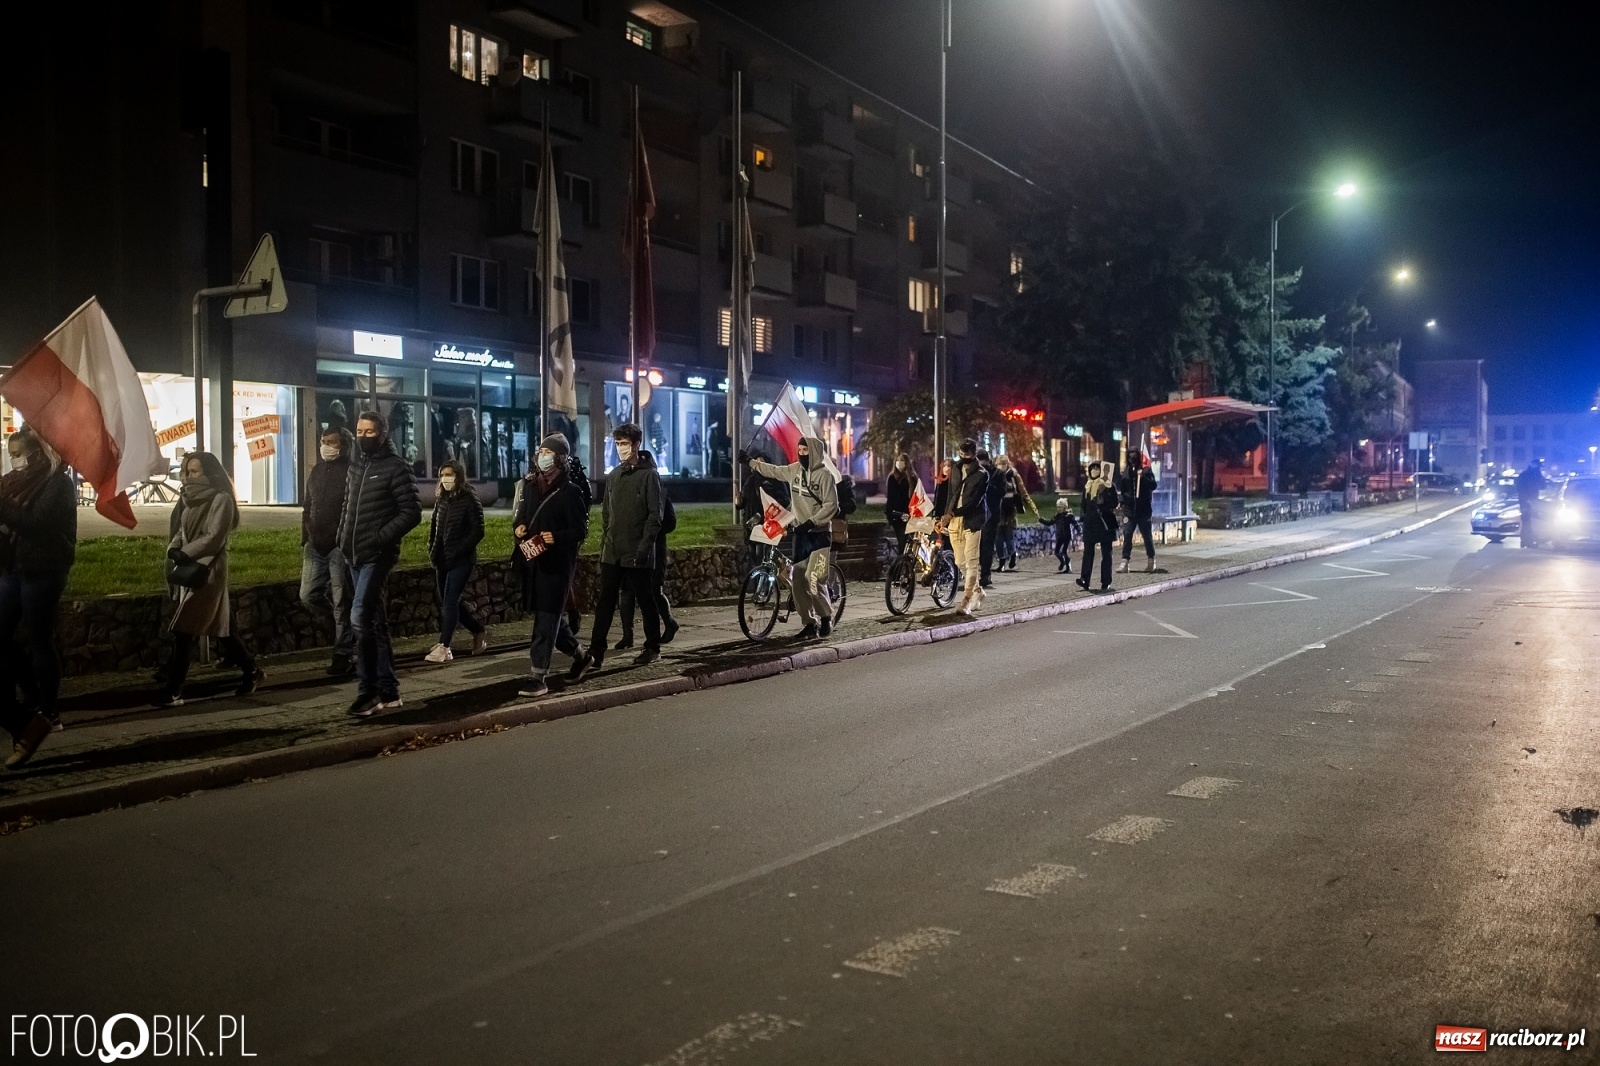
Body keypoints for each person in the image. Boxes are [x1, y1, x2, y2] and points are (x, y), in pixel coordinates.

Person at [155, 452, 263, 707]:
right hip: (190, 567)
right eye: (187, 471)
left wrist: (185, 553)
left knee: (184, 629)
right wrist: (174, 549)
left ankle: (174, 690)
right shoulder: (188, 499)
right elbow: (182, 531)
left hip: (209, 570)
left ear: (209, 473)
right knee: (222, 628)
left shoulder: (221, 498)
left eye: (195, 471)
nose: (189, 476)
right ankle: (251, 670)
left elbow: (214, 537)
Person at [0, 427, 75, 769]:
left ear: (37, 453)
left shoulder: (57, 483)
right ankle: (30, 703)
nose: (14, 460)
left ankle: (48, 709)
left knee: (39, 639)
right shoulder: (11, 483)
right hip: (13, 568)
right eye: (10, 454)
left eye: (19, 454)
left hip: (44, 569)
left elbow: (36, 523)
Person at [338, 411, 422, 717]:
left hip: (376, 556)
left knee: (359, 619)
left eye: (369, 432)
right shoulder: (356, 466)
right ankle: (389, 690)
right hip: (353, 554)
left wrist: (380, 538)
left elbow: (411, 512)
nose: (362, 437)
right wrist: (341, 537)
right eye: (359, 431)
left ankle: (368, 692)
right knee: (375, 622)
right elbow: (348, 504)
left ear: (382, 434)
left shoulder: (396, 467)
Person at [512, 434, 592, 697]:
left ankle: (538, 677)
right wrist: (520, 528)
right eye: (541, 451)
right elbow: (522, 517)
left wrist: (556, 537)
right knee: (550, 619)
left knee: (545, 622)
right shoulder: (530, 487)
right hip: (534, 562)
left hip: (557, 567)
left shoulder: (570, 492)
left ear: (560, 458)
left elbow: (579, 530)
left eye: (548, 452)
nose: (542, 456)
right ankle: (582, 657)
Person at [587, 423, 665, 667]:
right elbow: (607, 514)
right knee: (605, 602)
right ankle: (596, 651)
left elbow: (655, 516)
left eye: (625, 443)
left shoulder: (649, 476)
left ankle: (652, 647)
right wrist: (606, 544)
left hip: (637, 552)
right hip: (613, 551)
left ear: (636, 444)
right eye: (618, 443)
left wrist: (644, 548)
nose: (621, 448)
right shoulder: (614, 476)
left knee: (646, 599)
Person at [749, 435, 839, 639]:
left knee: (813, 577)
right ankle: (809, 623)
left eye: (805, 450)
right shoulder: (794, 470)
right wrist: (750, 462)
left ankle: (826, 616)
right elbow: (773, 470)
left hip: (819, 535)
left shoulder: (825, 476)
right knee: (797, 580)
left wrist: (813, 522)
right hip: (801, 535)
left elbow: (831, 505)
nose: (802, 454)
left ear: (814, 452)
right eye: (800, 450)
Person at [301, 425, 355, 675]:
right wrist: (306, 537)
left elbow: (352, 510)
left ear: (343, 445)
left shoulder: (351, 472)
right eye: (323, 441)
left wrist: (344, 539)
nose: (325, 446)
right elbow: (307, 505)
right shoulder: (317, 471)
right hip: (315, 545)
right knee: (308, 595)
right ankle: (341, 636)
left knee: (341, 602)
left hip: (338, 547)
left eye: (331, 442)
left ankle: (343, 654)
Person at [424, 458, 488, 662]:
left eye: (449, 475)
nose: (445, 479)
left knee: (450, 601)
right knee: (448, 602)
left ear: (458, 476)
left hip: (461, 560)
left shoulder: (469, 498)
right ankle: (477, 630)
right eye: (442, 475)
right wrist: (432, 548)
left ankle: (445, 646)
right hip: (442, 559)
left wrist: (459, 550)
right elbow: (434, 527)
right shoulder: (442, 498)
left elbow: (478, 530)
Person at [617, 483, 680, 651]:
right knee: (626, 591)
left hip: (654, 549)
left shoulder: (660, 496)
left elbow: (670, 523)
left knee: (654, 590)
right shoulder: (628, 494)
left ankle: (669, 623)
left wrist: (650, 528)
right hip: (630, 548)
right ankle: (627, 635)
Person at [939, 438, 988, 614]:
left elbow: (974, 502)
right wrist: (945, 516)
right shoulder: (955, 469)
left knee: (971, 561)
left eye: (967, 455)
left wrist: (952, 513)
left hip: (972, 521)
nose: (964, 457)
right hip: (954, 521)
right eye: (961, 454)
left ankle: (966, 600)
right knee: (960, 561)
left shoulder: (982, 475)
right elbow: (950, 495)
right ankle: (977, 591)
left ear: (974, 454)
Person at [1077, 461, 1119, 593]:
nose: (1094, 470)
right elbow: (1083, 504)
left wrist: (1105, 492)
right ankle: (1085, 579)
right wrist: (1083, 517)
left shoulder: (1108, 485)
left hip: (1105, 522)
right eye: (1092, 468)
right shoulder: (1087, 485)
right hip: (1090, 523)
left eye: (1097, 468)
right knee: (1088, 552)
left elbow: (1114, 503)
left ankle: (1106, 581)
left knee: (1106, 554)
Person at [1118, 450, 1158, 574]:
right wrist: (1122, 501)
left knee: (1146, 535)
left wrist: (1143, 477)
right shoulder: (1126, 473)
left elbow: (1153, 485)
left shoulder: (1146, 471)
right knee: (1127, 533)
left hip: (1143, 510)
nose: (1132, 460)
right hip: (1129, 510)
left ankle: (1151, 559)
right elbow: (1122, 490)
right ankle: (1125, 560)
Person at [995, 455, 1030, 572]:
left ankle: (1013, 555)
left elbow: (1021, 490)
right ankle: (1001, 562)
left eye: (1003, 464)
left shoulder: (1013, 476)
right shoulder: (994, 476)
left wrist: (1028, 502)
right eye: (999, 464)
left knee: (1009, 537)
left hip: (1010, 511)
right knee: (998, 539)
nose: (1001, 466)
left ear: (1007, 464)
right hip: (998, 511)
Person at [977, 449, 1005, 588]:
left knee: (987, 546)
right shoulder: (976, 473)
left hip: (991, 515)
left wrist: (988, 485)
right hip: (977, 515)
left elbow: (1002, 491)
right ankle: (978, 573)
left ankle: (985, 574)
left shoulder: (998, 474)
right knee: (977, 546)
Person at [1043, 494, 1079, 574]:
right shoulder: (1057, 516)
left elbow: (1075, 523)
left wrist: (1078, 528)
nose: (1058, 509)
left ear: (1064, 507)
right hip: (1060, 536)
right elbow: (1050, 522)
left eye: (1060, 507)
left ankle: (1068, 566)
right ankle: (1062, 562)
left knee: (1064, 552)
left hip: (1066, 536)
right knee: (1056, 552)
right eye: (1058, 507)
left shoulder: (1069, 516)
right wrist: (1042, 520)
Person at [885, 453, 913, 554]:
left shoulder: (911, 478)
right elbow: (891, 498)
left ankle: (903, 560)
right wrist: (890, 514)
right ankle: (901, 561)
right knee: (901, 542)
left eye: (902, 460)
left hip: (908, 514)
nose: (899, 463)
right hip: (896, 514)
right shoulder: (892, 478)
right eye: (898, 460)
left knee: (905, 543)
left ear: (907, 463)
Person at [1517, 460, 1546, 548]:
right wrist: (1527, 500)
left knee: (1528, 522)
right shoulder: (1527, 475)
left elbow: (1543, 486)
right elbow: (1521, 488)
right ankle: (1528, 541)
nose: (1538, 469)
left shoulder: (1526, 475)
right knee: (1529, 522)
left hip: (1528, 501)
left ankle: (1526, 541)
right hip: (1528, 501)